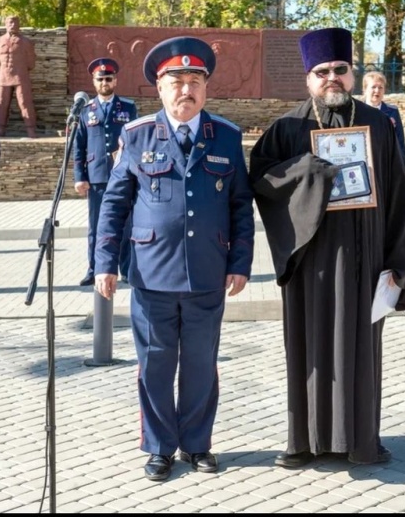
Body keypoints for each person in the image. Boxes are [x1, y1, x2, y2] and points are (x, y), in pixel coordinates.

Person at [249, 27, 405, 467]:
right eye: (321, 72)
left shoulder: (378, 124)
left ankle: (362, 441)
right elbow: (262, 178)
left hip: (365, 258)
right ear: (308, 78)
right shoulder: (288, 127)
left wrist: (398, 262)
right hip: (310, 259)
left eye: (340, 69)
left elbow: (397, 196)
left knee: (362, 350)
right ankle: (305, 441)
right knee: (308, 349)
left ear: (351, 74)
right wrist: (306, 170)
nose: (331, 77)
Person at [93, 37, 254, 481]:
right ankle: (161, 447)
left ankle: (198, 445)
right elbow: (114, 203)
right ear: (159, 88)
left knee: (201, 364)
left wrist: (240, 262)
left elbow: (241, 203)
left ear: (205, 88)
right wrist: (105, 261)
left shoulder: (225, 135)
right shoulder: (137, 135)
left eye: (195, 81)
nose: (187, 89)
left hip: (207, 271)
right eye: (177, 81)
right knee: (156, 366)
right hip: (151, 273)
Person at [72, 57, 138, 286]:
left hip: (123, 177)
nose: (104, 82)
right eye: (100, 79)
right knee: (97, 226)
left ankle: (127, 269)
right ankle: (94, 269)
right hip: (97, 177)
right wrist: (79, 177)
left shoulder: (128, 108)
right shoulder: (86, 110)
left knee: (126, 224)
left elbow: (135, 141)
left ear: (115, 81)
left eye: (108, 78)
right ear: (94, 81)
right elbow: (79, 146)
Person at [0, 15, 38, 138]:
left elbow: (31, 62)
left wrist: (20, 68)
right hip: (4, 76)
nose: (13, 25)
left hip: (21, 76)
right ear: (5, 24)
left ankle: (30, 129)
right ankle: (0, 128)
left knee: (25, 102)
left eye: (16, 22)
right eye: (10, 22)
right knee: (2, 103)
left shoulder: (26, 42)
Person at [362, 71, 405, 160]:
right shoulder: (357, 111)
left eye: (380, 87)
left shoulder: (392, 111)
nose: (377, 91)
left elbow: (400, 140)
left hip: (386, 160)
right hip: (365, 160)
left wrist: (403, 167)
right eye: (373, 87)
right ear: (365, 89)